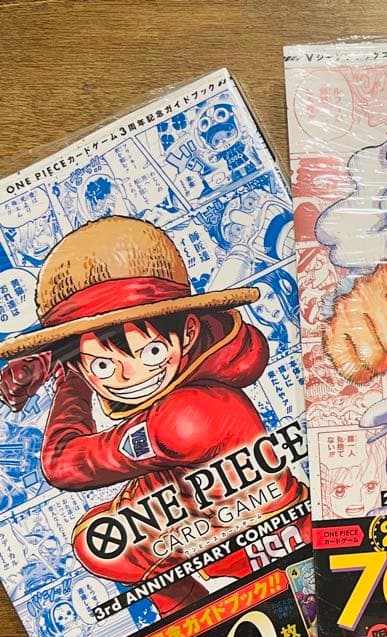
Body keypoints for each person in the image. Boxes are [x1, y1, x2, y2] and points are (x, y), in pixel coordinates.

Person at [0, 216, 307, 616]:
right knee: (100, 542)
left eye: (152, 352)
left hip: (286, 558)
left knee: (99, 542)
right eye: (103, 366)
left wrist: (68, 377)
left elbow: (63, 465)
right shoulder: (194, 382)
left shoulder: (185, 416)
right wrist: (63, 363)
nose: (128, 377)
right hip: (226, 556)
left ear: (189, 332)